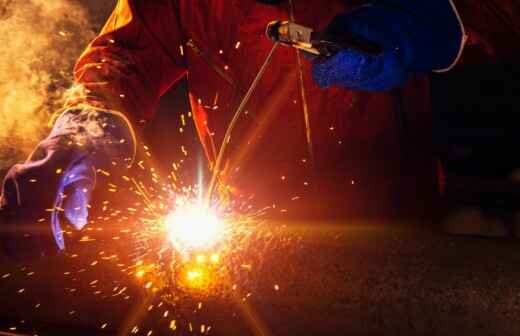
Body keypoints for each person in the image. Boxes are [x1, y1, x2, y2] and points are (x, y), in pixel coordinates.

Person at [0, 0, 516, 255]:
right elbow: (124, 52)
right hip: (249, 242)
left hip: (401, 238)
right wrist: (89, 121)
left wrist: (435, 24)